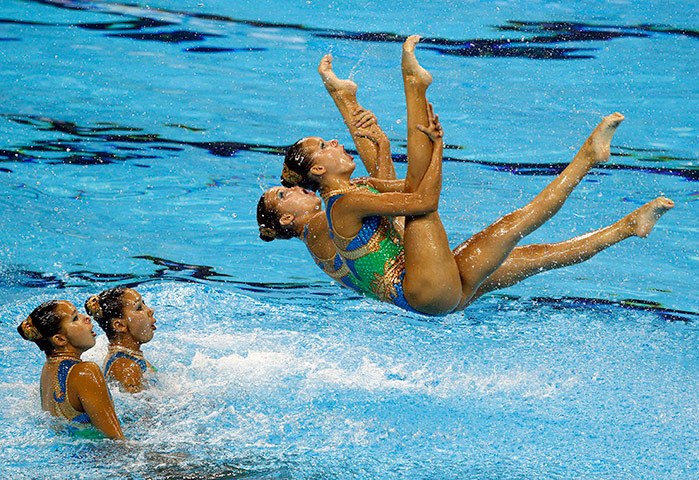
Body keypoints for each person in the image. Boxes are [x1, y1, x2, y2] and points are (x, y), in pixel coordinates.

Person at [259, 36, 674, 315]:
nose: (290, 191)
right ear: (287, 219)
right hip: (420, 287)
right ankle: (412, 88)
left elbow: (393, 188)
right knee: (433, 207)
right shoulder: (321, 225)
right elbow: (419, 201)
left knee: (527, 241)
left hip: (430, 282)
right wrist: (436, 150)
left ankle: (611, 198)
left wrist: (383, 146)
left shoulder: (345, 199)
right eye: (282, 196)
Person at [17, 300, 125, 439]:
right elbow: (115, 440)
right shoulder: (85, 372)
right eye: (75, 318)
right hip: (98, 456)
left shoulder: (48, 369)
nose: (86, 317)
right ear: (60, 340)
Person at [85, 287, 157, 393]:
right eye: (139, 308)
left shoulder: (126, 358)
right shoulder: (128, 369)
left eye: (144, 304)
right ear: (120, 325)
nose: (150, 311)